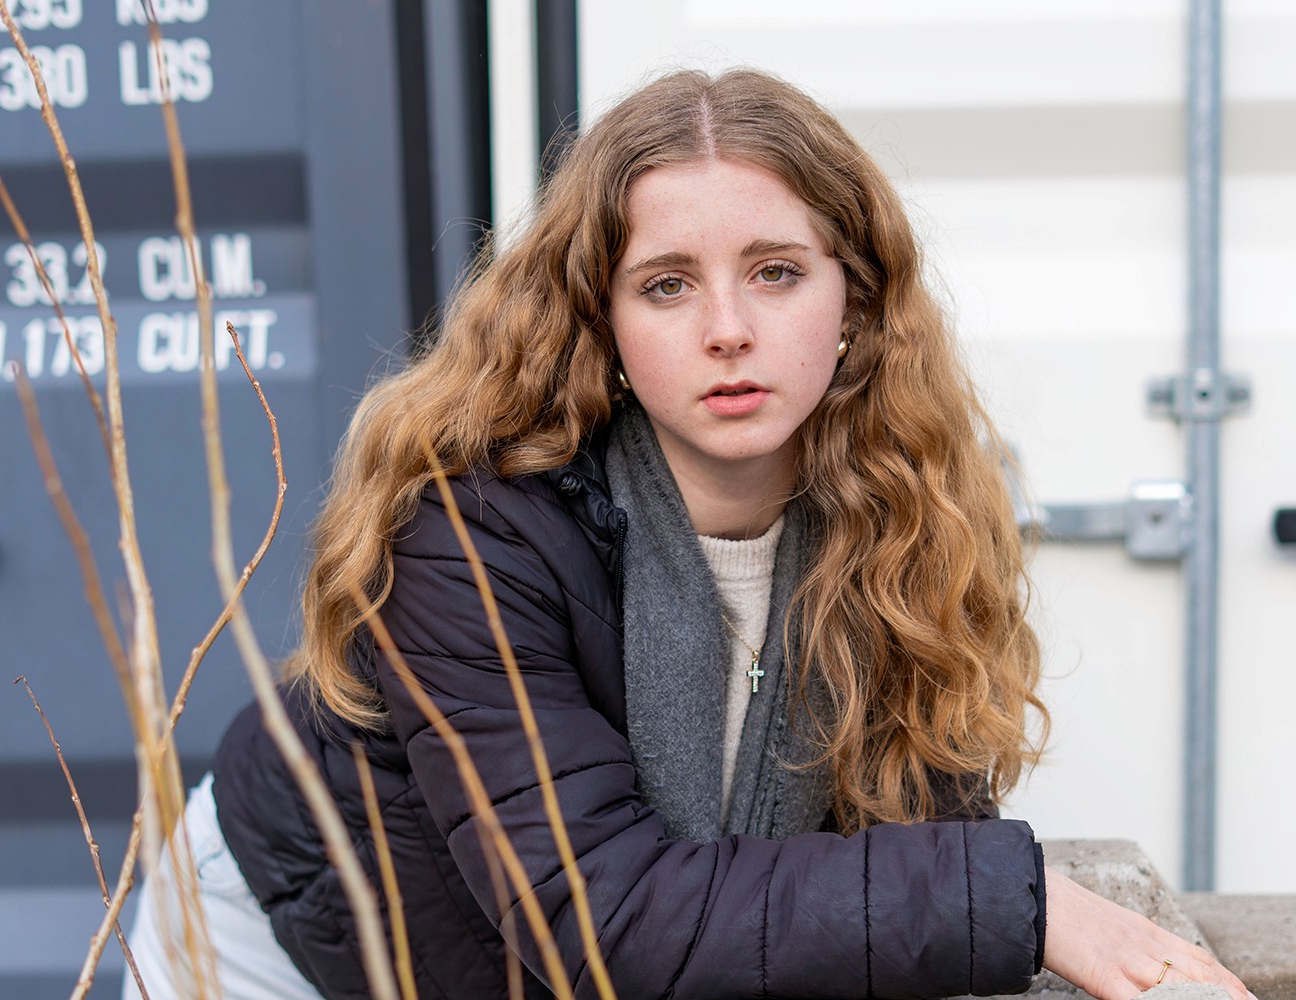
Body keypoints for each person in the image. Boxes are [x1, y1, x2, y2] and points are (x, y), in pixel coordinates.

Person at [127, 68, 1255, 1000]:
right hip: (282, 948)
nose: (728, 331)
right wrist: (1025, 900)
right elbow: (597, 915)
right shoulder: (470, 532)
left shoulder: (909, 523)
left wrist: (993, 904)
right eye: (666, 285)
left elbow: (893, 869)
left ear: (854, 301)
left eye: (775, 273)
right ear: (604, 323)